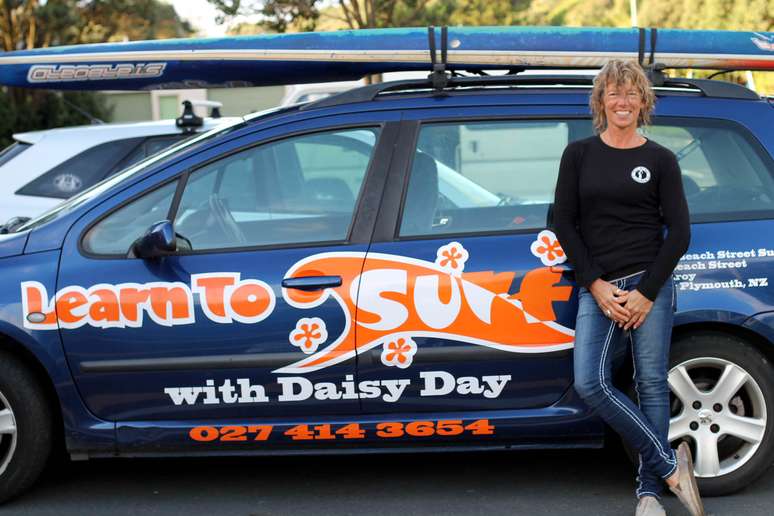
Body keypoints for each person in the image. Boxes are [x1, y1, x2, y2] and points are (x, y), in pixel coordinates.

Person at [552, 60, 703, 516]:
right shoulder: (578, 155)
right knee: (591, 382)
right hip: (598, 288)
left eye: (631, 93)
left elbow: (679, 233)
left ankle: (649, 493)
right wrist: (595, 285)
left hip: (648, 284)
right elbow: (563, 222)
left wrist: (647, 292)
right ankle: (669, 467)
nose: (622, 101)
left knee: (651, 384)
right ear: (600, 101)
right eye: (614, 93)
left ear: (643, 102)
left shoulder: (660, 159)